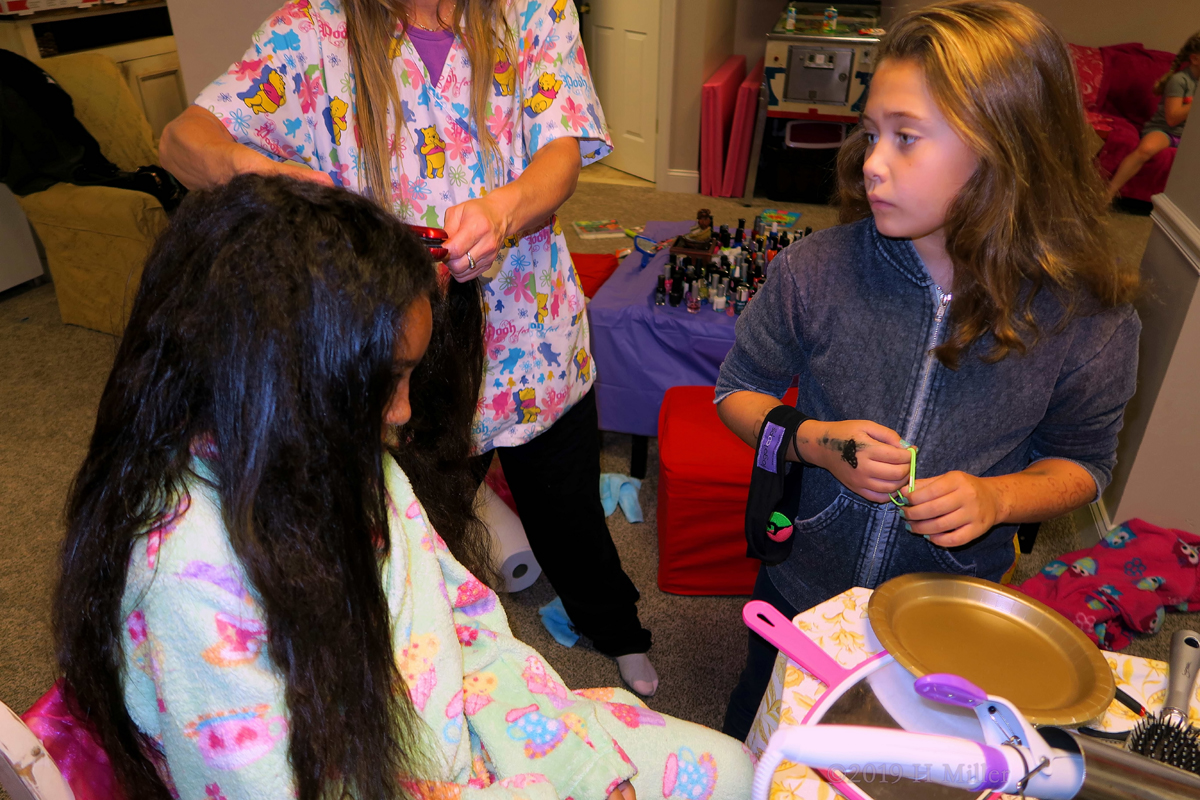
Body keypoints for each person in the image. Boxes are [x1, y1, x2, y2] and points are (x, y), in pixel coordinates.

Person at [53, 175, 753, 800]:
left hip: (448, 726)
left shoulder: (341, 453)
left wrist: (566, 756)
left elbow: (466, 618)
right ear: (277, 378)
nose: (403, 413)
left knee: (735, 768)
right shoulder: (185, 575)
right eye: (385, 381)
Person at [158, 0, 659, 697]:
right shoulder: (311, 27)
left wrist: (503, 209)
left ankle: (618, 631)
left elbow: (561, 153)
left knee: (570, 513)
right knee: (424, 537)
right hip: (406, 362)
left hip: (534, 339)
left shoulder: (534, 10)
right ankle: (442, 670)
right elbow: (181, 138)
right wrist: (257, 171)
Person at [715, 0, 1141, 741]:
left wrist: (997, 498)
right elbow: (735, 392)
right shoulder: (816, 272)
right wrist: (813, 441)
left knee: (913, 757)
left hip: (953, 611)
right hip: (802, 589)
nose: (871, 162)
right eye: (871, 133)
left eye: (906, 139)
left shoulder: (1090, 319)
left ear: (1011, 149)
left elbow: (1085, 463)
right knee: (770, 743)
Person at [1107, 31, 1200, 200]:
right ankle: (1107, 194)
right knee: (1146, 150)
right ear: (1195, 59)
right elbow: (1172, 118)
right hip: (1165, 131)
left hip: (1189, 137)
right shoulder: (1180, 80)